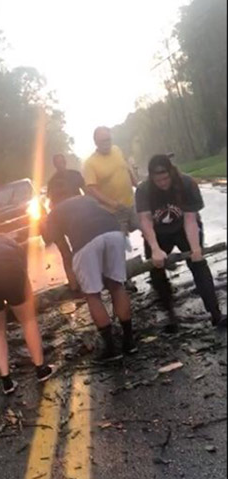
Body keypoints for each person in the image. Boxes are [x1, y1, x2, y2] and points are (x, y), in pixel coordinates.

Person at [136, 155, 227, 331]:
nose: (162, 183)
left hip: (184, 228)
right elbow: (145, 221)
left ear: (171, 172)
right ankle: (171, 316)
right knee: (156, 270)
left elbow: (190, 220)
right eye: (158, 180)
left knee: (199, 264)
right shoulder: (144, 190)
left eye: (165, 178)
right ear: (151, 178)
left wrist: (195, 249)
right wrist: (155, 249)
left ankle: (216, 314)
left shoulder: (186, 183)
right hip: (159, 233)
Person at [44, 196, 137, 360]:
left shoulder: (52, 216)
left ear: (51, 203)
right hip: (113, 233)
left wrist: (73, 282)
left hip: (86, 242)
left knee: (93, 295)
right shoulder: (84, 199)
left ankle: (110, 348)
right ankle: (129, 342)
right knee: (116, 286)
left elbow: (65, 252)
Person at [0, 233, 54, 395]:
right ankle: (41, 369)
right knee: (28, 321)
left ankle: (6, 381)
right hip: (10, 271)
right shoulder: (11, 245)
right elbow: (24, 273)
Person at [84, 127, 138, 235]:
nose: (106, 143)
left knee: (147, 229)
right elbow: (92, 190)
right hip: (113, 212)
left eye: (108, 140)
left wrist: (137, 185)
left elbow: (126, 168)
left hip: (132, 203)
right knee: (119, 241)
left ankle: (154, 250)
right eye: (103, 141)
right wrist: (114, 204)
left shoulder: (116, 150)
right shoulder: (90, 163)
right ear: (96, 142)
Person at [47, 154, 86, 292]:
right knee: (66, 254)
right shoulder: (52, 182)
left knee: (81, 247)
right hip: (60, 221)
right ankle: (75, 285)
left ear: (65, 162)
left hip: (77, 216)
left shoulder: (75, 175)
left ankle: (85, 280)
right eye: (57, 163)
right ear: (55, 165)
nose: (60, 165)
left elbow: (86, 191)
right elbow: (51, 203)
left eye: (61, 162)